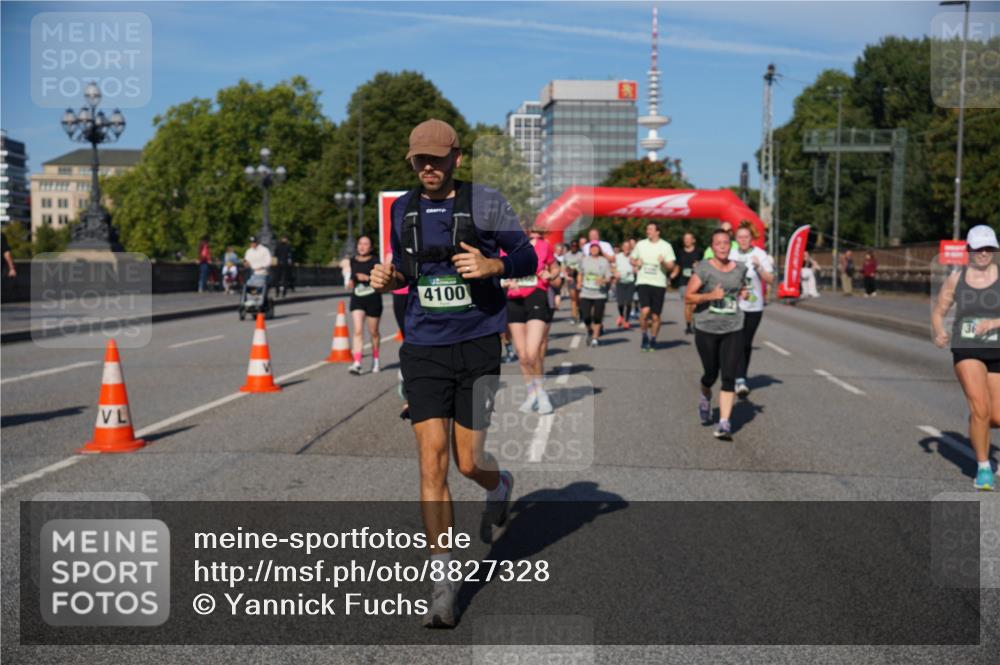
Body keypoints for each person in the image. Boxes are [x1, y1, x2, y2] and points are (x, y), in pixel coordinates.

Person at [369, 119, 536, 627]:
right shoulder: (403, 208)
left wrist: (494, 266)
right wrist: (388, 276)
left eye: (436, 159)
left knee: (467, 462)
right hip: (423, 347)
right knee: (431, 463)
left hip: (479, 343)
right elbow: (406, 268)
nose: (428, 167)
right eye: (419, 159)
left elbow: (526, 255)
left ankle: (499, 483)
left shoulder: (485, 202)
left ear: (456, 158)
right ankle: (443, 583)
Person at [932, 225, 1000, 491]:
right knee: (980, 407)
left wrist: (994, 323)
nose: (983, 253)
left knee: (995, 416)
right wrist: (939, 331)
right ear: (969, 250)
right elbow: (939, 311)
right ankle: (983, 467)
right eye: (978, 248)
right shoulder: (956, 279)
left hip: (997, 349)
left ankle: (977, 423)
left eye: (989, 248)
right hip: (967, 348)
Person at [685, 228, 749, 440]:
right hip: (707, 328)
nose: (722, 246)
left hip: (733, 327)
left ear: (730, 246)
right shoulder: (704, 268)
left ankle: (724, 423)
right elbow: (689, 297)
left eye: (725, 243)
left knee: (729, 375)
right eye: (718, 243)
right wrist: (711, 295)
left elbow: (739, 287)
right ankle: (705, 395)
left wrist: (744, 293)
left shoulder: (740, 268)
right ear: (712, 247)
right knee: (711, 374)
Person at [504, 227, 557, 414]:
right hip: (514, 299)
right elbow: (499, 271)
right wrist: (505, 281)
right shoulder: (504, 246)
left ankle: (542, 393)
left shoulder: (543, 246)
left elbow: (554, 266)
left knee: (533, 352)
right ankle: (531, 393)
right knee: (522, 354)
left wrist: (551, 274)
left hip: (536, 296)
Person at [731, 222, 775, 398]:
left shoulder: (760, 254)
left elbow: (770, 279)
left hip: (755, 306)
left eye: (746, 237)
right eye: (740, 237)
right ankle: (739, 378)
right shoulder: (732, 254)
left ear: (751, 239)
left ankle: (740, 375)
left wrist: (759, 267)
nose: (743, 240)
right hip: (735, 305)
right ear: (736, 239)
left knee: (746, 343)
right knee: (737, 341)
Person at [631, 222, 676, 351]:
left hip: (659, 284)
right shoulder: (641, 244)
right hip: (643, 282)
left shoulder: (666, 246)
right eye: (647, 229)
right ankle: (644, 335)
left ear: (658, 232)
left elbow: (671, 266)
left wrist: (663, 263)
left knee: (656, 316)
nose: (648, 231)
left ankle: (654, 338)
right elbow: (632, 259)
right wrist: (635, 261)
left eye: (650, 229)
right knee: (645, 311)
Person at [347, 235, 383, 375]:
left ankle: (376, 359)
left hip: (373, 299)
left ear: (371, 247)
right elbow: (352, 278)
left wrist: (368, 278)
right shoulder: (352, 261)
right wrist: (352, 281)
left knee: (373, 332)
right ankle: (357, 363)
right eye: (360, 243)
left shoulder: (375, 261)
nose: (362, 246)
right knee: (357, 330)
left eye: (365, 244)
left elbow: (380, 280)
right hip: (357, 299)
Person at [578, 240, 613, 346]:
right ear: (589, 250)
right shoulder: (584, 260)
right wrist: (579, 282)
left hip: (599, 293)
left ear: (599, 249)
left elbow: (609, 277)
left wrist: (603, 281)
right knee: (586, 316)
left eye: (596, 248)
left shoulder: (604, 261)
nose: (594, 249)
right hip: (585, 292)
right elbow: (580, 273)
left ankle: (595, 338)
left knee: (597, 317)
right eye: (592, 248)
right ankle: (589, 330)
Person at [672, 232, 700, 334]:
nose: (687, 240)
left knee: (695, 305)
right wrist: (672, 276)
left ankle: (696, 324)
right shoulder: (680, 252)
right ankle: (688, 326)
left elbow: (705, 266)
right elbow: (677, 266)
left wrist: (699, 265)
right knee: (688, 304)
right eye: (685, 239)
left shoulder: (699, 252)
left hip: (696, 281)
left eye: (689, 239)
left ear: (693, 240)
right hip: (683, 282)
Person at [613, 239, 637, 329]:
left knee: (629, 302)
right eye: (625, 247)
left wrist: (636, 269)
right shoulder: (617, 256)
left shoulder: (633, 257)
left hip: (630, 282)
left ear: (630, 248)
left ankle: (626, 320)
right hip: (620, 282)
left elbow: (638, 267)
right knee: (620, 303)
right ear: (622, 248)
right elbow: (613, 268)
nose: (626, 248)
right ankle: (621, 315)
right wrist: (615, 273)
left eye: (628, 247)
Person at [563, 239, 583, 325]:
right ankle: (574, 317)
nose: (574, 248)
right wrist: (566, 276)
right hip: (571, 278)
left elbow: (584, 267)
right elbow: (563, 267)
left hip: (580, 278)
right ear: (570, 247)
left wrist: (576, 269)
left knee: (580, 299)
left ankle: (581, 315)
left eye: (575, 246)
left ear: (578, 247)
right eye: (572, 246)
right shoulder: (567, 255)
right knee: (573, 298)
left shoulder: (581, 255)